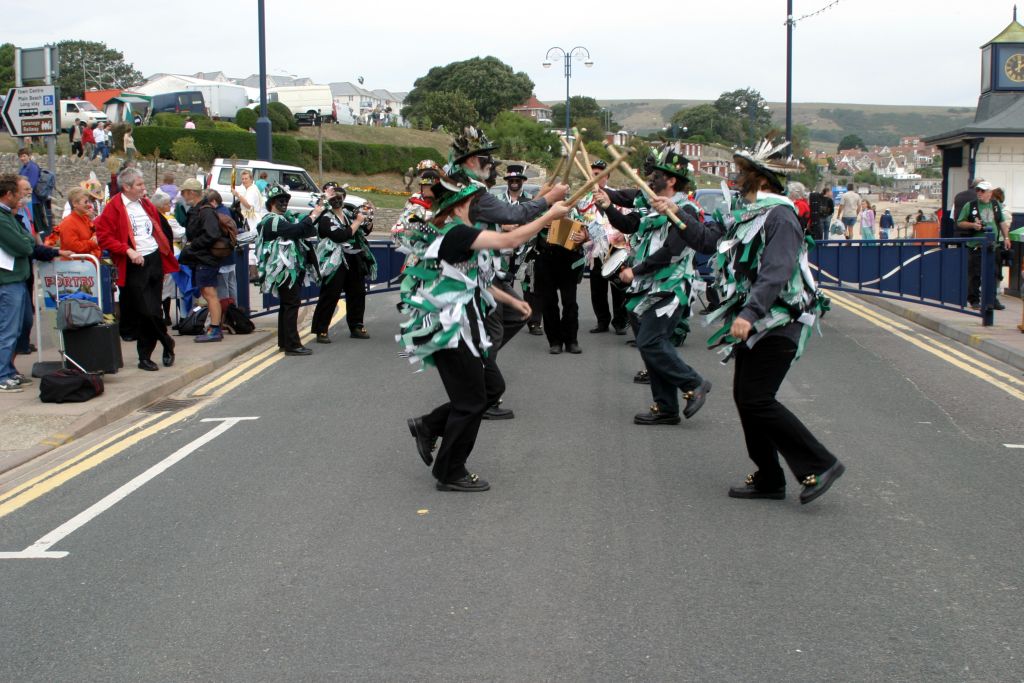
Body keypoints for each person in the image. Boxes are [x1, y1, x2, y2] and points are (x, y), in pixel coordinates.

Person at [665, 139, 844, 504]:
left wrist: (750, 312)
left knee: (757, 399)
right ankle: (769, 477)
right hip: (760, 322)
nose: (736, 177)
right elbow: (708, 241)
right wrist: (674, 213)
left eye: (743, 172)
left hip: (779, 321)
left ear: (761, 179)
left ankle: (820, 463)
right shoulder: (748, 215)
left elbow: (777, 270)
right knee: (747, 398)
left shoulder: (781, 217)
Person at [401, 172, 569, 492]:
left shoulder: (460, 231)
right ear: (460, 205)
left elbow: (476, 278)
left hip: (463, 327)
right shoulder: (456, 232)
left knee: (490, 389)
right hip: (449, 330)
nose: (481, 205)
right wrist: (549, 214)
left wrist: (512, 301)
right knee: (471, 402)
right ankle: (450, 471)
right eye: (475, 201)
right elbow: (510, 241)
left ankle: (428, 426)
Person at [449, 126, 569, 419]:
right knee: (491, 333)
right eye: (486, 159)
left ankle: (479, 362)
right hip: (474, 277)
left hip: (485, 272)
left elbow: (503, 217)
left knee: (516, 315)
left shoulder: (464, 187)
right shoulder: (472, 192)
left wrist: (539, 199)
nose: (492, 165)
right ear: (471, 161)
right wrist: (549, 202)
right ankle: (483, 388)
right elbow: (514, 214)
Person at [597, 145, 711, 425]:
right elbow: (628, 224)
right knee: (652, 344)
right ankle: (666, 407)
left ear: (671, 180)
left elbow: (671, 251)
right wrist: (607, 206)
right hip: (648, 288)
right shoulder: (652, 205)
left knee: (650, 342)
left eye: (657, 175)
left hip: (670, 288)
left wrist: (635, 271)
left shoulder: (685, 210)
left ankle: (693, 383)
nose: (650, 178)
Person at [94, 167, 179, 371]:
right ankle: (166, 341)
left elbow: (161, 230)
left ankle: (144, 357)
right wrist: (128, 250)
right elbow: (104, 237)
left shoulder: (146, 204)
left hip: (154, 259)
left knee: (154, 310)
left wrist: (164, 255)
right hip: (134, 264)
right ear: (126, 187)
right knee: (145, 311)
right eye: (139, 184)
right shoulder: (114, 207)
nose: (143, 187)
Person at [255, 184, 325, 355]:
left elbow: (306, 228)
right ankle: (292, 345)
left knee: (287, 305)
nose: (285, 203)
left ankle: (285, 342)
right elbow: (297, 230)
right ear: (272, 203)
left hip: (290, 269)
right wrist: (314, 214)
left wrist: (320, 207)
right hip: (284, 271)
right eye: (281, 200)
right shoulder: (271, 221)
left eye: (286, 200)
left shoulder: (283, 219)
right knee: (291, 304)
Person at [311, 182, 368, 343]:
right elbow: (341, 236)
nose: (336, 200)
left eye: (339, 197)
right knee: (330, 294)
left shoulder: (348, 214)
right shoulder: (325, 218)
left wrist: (367, 220)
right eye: (333, 198)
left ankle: (356, 326)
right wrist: (358, 222)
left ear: (344, 198)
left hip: (353, 258)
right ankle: (321, 329)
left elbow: (364, 231)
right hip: (334, 261)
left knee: (357, 292)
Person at [497, 164, 544, 337]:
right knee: (502, 285)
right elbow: (490, 219)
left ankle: (534, 322)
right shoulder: (498, 200)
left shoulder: (531, 201)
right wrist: (504, 226)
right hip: (502, 250)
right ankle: (502, 320)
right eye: (511, 179)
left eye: (517, 179)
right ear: (507, 181)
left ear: (523, 181)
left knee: (530, 287)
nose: (514, 182)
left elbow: (539, 221)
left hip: (527, 250)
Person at [0, 175, 37, 392]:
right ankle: (2, 374)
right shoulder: (2, 218)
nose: (21, 197)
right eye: (18, 193)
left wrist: (27, 241)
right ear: (8, 195)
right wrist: (27, 242)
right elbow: (23, 246)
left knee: (22, 325)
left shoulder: (9, 215)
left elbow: (28, 238)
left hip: (19, 280)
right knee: (8, 329)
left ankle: (9, 369)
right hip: (8, 281)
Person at [178, 190, 231, 342]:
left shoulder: (206, 211)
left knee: (210, 294)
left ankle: (215, 330)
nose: (183, 197)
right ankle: (214, 328)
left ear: (191, 193)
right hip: (202, 258)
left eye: (184, 193)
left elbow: (212, 235)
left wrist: (193, 245)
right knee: (208, 294)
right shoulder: (199, 209)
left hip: (206, 259)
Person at [586, 159, 628, 335]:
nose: (596, 177)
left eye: (600, 174)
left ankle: (620, 322)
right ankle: (602, 321)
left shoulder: (619, 198)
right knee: (597, 289)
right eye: (593, 174)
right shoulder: (585, 200)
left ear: (607, 176)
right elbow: (580, 223)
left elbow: (630, 222)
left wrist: (624, 235)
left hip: (616, 249)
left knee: (618, 288)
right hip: (596, 251)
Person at [957, 180, 1012, 310]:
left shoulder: (995, 205)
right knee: (975, 274)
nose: (979, 193)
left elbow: (1002, 222)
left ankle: (992, 299)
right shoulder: (970, 205)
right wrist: (973, 225)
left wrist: (1006, 237)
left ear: (989, 193)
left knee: (994, 273)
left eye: (982, 191)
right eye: (978, 190)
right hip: (976, 245)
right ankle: (974, 300)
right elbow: (960, 222)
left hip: (993, 245)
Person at [46, 187, 102, 258]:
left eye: (89, 202)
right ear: (75, 203)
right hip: (75, 263)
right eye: (86, 202)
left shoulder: (85, 218)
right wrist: (93, 243)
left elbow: (94, 231)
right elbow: (73, 247)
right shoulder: (68, 223)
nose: (89, 205)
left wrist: (95, 236)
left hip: (86, 262)